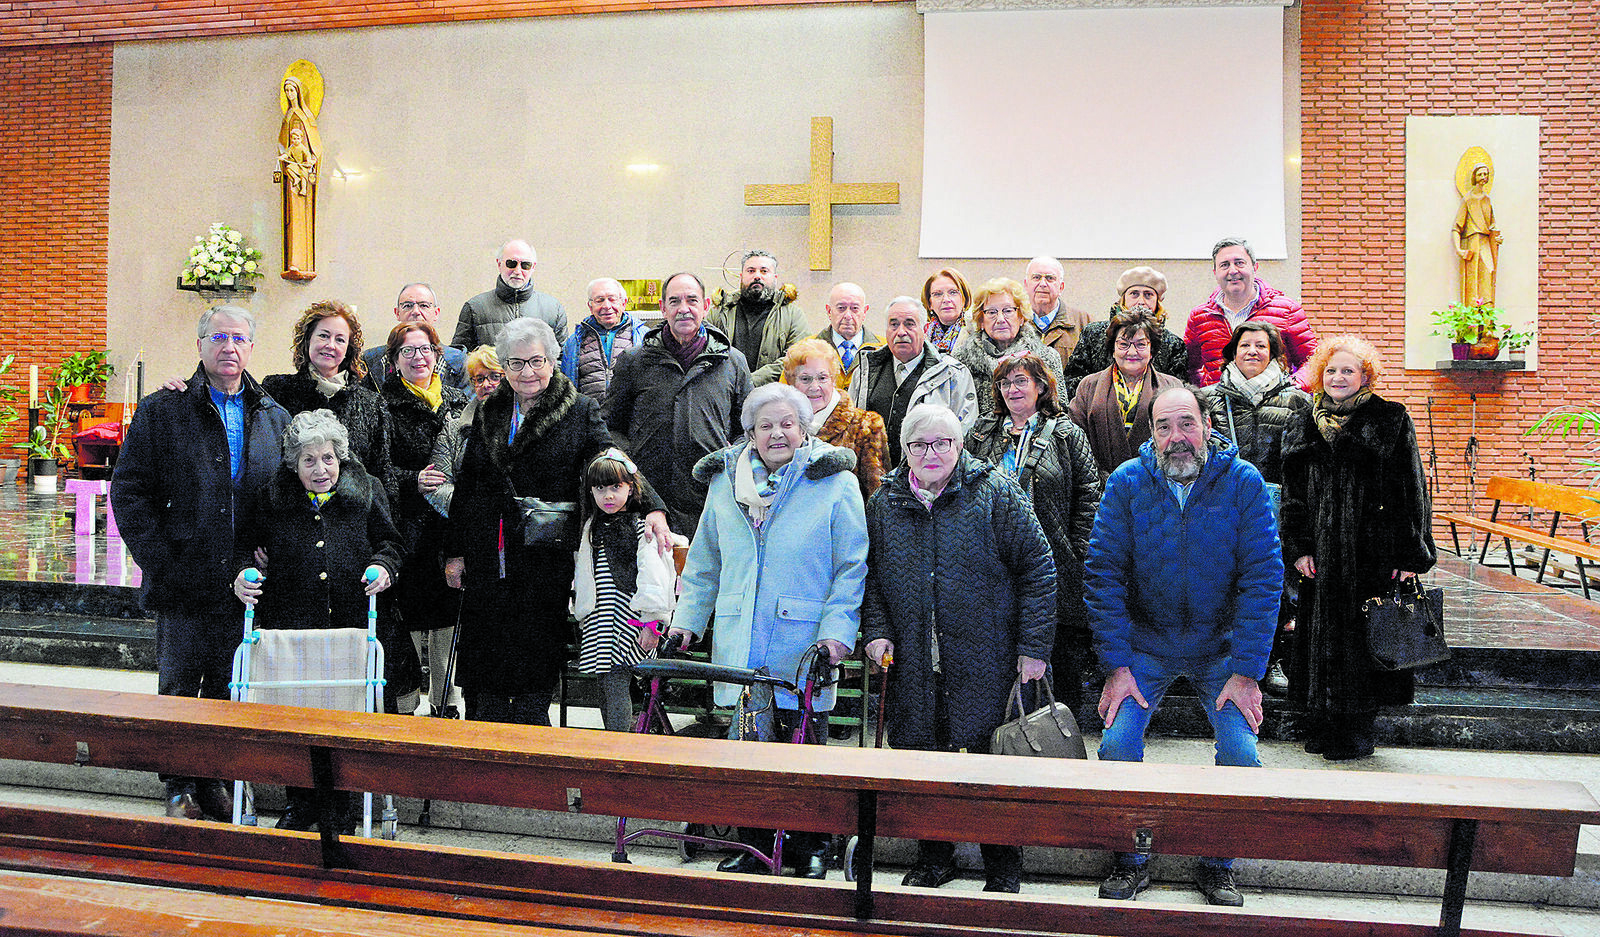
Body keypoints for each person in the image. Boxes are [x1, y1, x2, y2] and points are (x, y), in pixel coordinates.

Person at [1086, 385, 1281, 908]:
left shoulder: (1243, 483)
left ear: (1208, 427)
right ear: (1151, 434)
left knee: (1242, 754)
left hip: (1219, 650)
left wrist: (1246, 671)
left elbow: (1262, 579)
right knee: (1116, 745)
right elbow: (1104, 575)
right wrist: (1117, 666)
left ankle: (1218, 863)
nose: (1177, 438)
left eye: (1187, 424)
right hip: (1145, 648)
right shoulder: (1127, 483)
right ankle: (1129, 859)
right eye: (1164, 427)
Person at [668, 382, 867, 880]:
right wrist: (685, 625)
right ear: (749, 432)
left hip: (806, 644)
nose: (776, 433)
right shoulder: (723, 484)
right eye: (765, 425)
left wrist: (837, 634)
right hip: (742, 639)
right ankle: (754, 843)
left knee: (806, 749)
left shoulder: (835, 482)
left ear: (803, 430)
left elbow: (852, 565)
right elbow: (704, 564)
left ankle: (811, 846)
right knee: (747, 748)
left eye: (787, 424)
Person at [862, 403, 1056, 895]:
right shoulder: (885, 503)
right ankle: (934, 857)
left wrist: (1033, 647)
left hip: (986, 659)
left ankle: (1002, 865)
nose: (931, 453)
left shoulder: (993, 491)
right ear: (904, 450)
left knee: (992, 763)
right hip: (915, 663)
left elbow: (1038, 569)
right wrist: (878, 631)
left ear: (960, 444)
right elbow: (873, 581)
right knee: (923, 763)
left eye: (942, 443)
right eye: (919, 445)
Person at [110, 305, 290, 822]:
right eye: (218, 337)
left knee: (228, 688)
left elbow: (278, 496)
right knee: (180, 686)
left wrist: (268, 548)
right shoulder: (162, 411)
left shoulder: (271, 415)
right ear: (199, 345)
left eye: (239, 338)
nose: (228, 347)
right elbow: (130, 492)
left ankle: (215, 781)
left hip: (243, 583)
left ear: (252, 348)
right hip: (183, 578)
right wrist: (161, 562)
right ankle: (179, 784)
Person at [447, 318, 671, 725]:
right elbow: (467, 482)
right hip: (486, 548)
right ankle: (486, 733)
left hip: (543, 551)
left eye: (536, 361)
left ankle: (533, 734)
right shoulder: (488, 409)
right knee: (485, 647)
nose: (527, 373)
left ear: (553, 361)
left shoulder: (579, 409)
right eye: (515, 364)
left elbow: (612, 458)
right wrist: (455, 552)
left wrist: (652, 505)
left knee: (535, 645)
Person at [230, 409, 401, 832]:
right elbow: (241, 549)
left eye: (328, 458)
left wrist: (383, 566)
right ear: (294, 464)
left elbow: (391, 543)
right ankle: (300, 802)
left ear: (341, 458)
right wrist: (241, 576)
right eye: (309, 460)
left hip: (349, 626)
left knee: (344, 716)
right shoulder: (271, 499)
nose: (320, 469)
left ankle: (341, 808)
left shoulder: (368, 492)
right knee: (296, 715)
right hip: (292, 628)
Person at [1280, 335, 1436, 762]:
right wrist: (1297, 548)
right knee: (1320, 643)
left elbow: (1412, 488)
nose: (1338, 377)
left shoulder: (1390, 418)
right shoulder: (1303, 422)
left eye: (1348, 370)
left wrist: (1410, 555)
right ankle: (1322, 726)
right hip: (1321, 559)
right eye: (1330, 370)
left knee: (1363, 643)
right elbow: (1292, 496)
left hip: (1374, 557)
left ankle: (1357, 732)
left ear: (1365, 375)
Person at [965, 353, 1100, 708]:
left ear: (1041, 386)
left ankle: (1056, 737)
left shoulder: (1067, 433)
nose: (1012, 389)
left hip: (1055, 563)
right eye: (1005, 383)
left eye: (1020, 381)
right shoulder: (981, 433)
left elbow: (1089, 495)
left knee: (1057, 656)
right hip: (993, 564)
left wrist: (1076, 550)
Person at [1197, 321, 1310, 697]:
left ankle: (1270, 659)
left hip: (1275, 509)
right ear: (1232, 352)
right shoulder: (1208, 398)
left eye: (1261, 346)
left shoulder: (1296, 400)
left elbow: (1302, 462)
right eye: (1245, 345)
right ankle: (1217, 657)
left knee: (1270, 586)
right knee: (1219, 583)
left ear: (1275, 354)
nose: (1252, 352)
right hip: (1220, 507)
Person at [605, 272, 753, 534]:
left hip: (711, 500)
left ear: (706, 306)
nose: (684, 309)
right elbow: (613, 428)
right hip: (647, 501)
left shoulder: (732, 362)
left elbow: (748, 429)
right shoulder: (634, 361)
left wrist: (727, 461)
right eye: (674, 301)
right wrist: (635, 472)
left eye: (692, 301)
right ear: (663, 308)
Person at [379, 322, 465, 717]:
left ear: (438, 355)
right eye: (408, 351)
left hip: (450, 527)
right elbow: (373, 470)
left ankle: (445, 702)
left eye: (426, 348)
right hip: (406, 528)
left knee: (448, 614)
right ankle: (408, 704)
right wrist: (412, 480)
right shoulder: (380, 402)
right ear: (394, 361)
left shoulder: (457, 401)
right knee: (410, 617)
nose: (419, 357)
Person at [573, 448, 680, 732]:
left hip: (629, 619)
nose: (608, 496)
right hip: (599, 618)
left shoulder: (641, 527)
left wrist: (654, 623)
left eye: (616, 487)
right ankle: (614, 741)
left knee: (617, 682)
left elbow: (655, 577)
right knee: (603, 683)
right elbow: (585, 574)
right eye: (600, 488)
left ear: (631, 489)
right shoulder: (590, 528)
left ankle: (620, 745)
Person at [261, 300, 393, 501]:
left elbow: (382, 472)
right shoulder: (277, 391)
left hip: (351, 520)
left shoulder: (371, 403)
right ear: (307, 340)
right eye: (323, 335)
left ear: (349, 348)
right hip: (292, 517)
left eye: (340, 339)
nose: (330, 345)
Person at [851, 297, 977, 466]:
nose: (901, 332)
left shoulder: (953, 374)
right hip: (873, 483)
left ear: (925, 329)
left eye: (909, 324)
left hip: (930, 479)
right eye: (894, 324)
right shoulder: (863, 373)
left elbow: (965, 435)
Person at [1068, 307, 1184, 480]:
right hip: (1099, 484)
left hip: (1156, 483)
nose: (1131, 352)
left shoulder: (1172, 386)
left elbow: (1180, 439)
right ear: (1112, 348)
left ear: (1152, 350)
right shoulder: (1088, 385)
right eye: (1123, 344)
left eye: (1140, 344)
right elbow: (1075, 441)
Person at [1184, 237, 1317, 388]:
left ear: (1255, 267)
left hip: (1274, 407)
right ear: (1215, 272)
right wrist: (1202, 392)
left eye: (1239, 263)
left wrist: (1292, 388)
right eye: (1224, 265)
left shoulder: (1287, 310)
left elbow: (1313, 360)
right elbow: (1188, 367)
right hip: (1219, 408)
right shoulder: (1199, 317)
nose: (1233, 271)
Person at [782, 338, 888, 502]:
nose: (815, 387)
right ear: (791, 382)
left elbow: (877, 498)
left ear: (833, 380)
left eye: (822, 378)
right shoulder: (780, 426)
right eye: (805, 379)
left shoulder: (866, 425)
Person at [1062, 267, 1187, 398]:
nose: (1141, 301)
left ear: (1158, 301)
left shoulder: (1173, 344)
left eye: (1148, 295)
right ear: (1123, 299)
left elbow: (1177, 391)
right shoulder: (1093, 334)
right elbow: (1071, 381)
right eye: (1134, 294)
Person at [954, 277, 1064, 420]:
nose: (1000, 319)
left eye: (1007, 311)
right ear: (981, 320)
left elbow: (1060, 412)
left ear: (1021, 317)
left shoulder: (1046, 357)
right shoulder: (961, 360)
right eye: (991, 312)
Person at [421, 345, 502, 519]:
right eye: (479, 379)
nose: (486, 384)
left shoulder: (524, 426)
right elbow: (436, 486)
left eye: (495, 376)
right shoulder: (454, 429)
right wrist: (474, 511)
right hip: (465, 528)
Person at [707, 250, 809, 385]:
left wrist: (751, 382)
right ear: (741, 276)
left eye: (764, 271)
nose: (757, 276)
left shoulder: (793, 315)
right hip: (725, 393)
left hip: (774, 397)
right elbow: (705, 352)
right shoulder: (719, 313)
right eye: (751, 271)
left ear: (775, 277)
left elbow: (797, 358)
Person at [452, 240, 569, 350]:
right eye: (511, 263)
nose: (518, 271)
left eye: (525, 265)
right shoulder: (475, 308)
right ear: (499, 264)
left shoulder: (553, 309)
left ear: (533, 267)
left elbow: (563, 360)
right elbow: (458, 358)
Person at [363, 283, 469, 391]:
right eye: (408, 306)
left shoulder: (458, 362)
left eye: (424, 305)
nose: (416, 312)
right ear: (397, 313)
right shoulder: (371, 360)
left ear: (436, 313)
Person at [560, 277, 649, 404]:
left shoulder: (644, 337)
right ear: (590, 306)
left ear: (623, 303)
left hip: (629, 419)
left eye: (612, 299)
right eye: (599, 300)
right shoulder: (574, 342)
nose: (607, 306)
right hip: (589, 418)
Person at [278, 76, 321, 278]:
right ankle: (293, 261)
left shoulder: (305, 118)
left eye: (292, 91)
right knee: (291, 218)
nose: (289, 95)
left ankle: (302, 261)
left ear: (300, 93)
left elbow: (315, 148)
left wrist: (311, 160)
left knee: (302, 217)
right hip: (291, 176)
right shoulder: (287, 117)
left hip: (304, 176)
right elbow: (282, 145)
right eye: (286, 91)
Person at [810, 282, 882, 392]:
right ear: (829, 311)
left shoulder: (883, 350)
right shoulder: (807, 349)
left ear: (865, 312)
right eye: (841, 308)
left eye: (855, 308)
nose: (848, 316)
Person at [1454, 161, 1502, 306]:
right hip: (1473, 245)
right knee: (1473, 284)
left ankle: (1486, 324)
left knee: (1488, 277)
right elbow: (1456, 228)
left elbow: (1492, 226)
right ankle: (1473, 325)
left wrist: (1497, 238)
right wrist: (1459, 250)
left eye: (1485, 174)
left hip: (1486, 244)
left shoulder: (1488, 200)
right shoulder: (1467, 200)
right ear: (1474, 177)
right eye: (1480, 174)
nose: (1483, 177)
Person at [1025, 256, 1091, 362]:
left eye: (1050, 278)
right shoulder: (1015, 321)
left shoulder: (1084, 322)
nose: (1042, 284)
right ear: (1026, 285)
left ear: (1061, 287)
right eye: (1036, 277)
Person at [921, 268, 970, 355]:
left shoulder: (976, 332)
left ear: (964, 299)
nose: (946, 300)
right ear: (929, 303)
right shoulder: (920, 335)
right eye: (938, 294)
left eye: (953, 292)